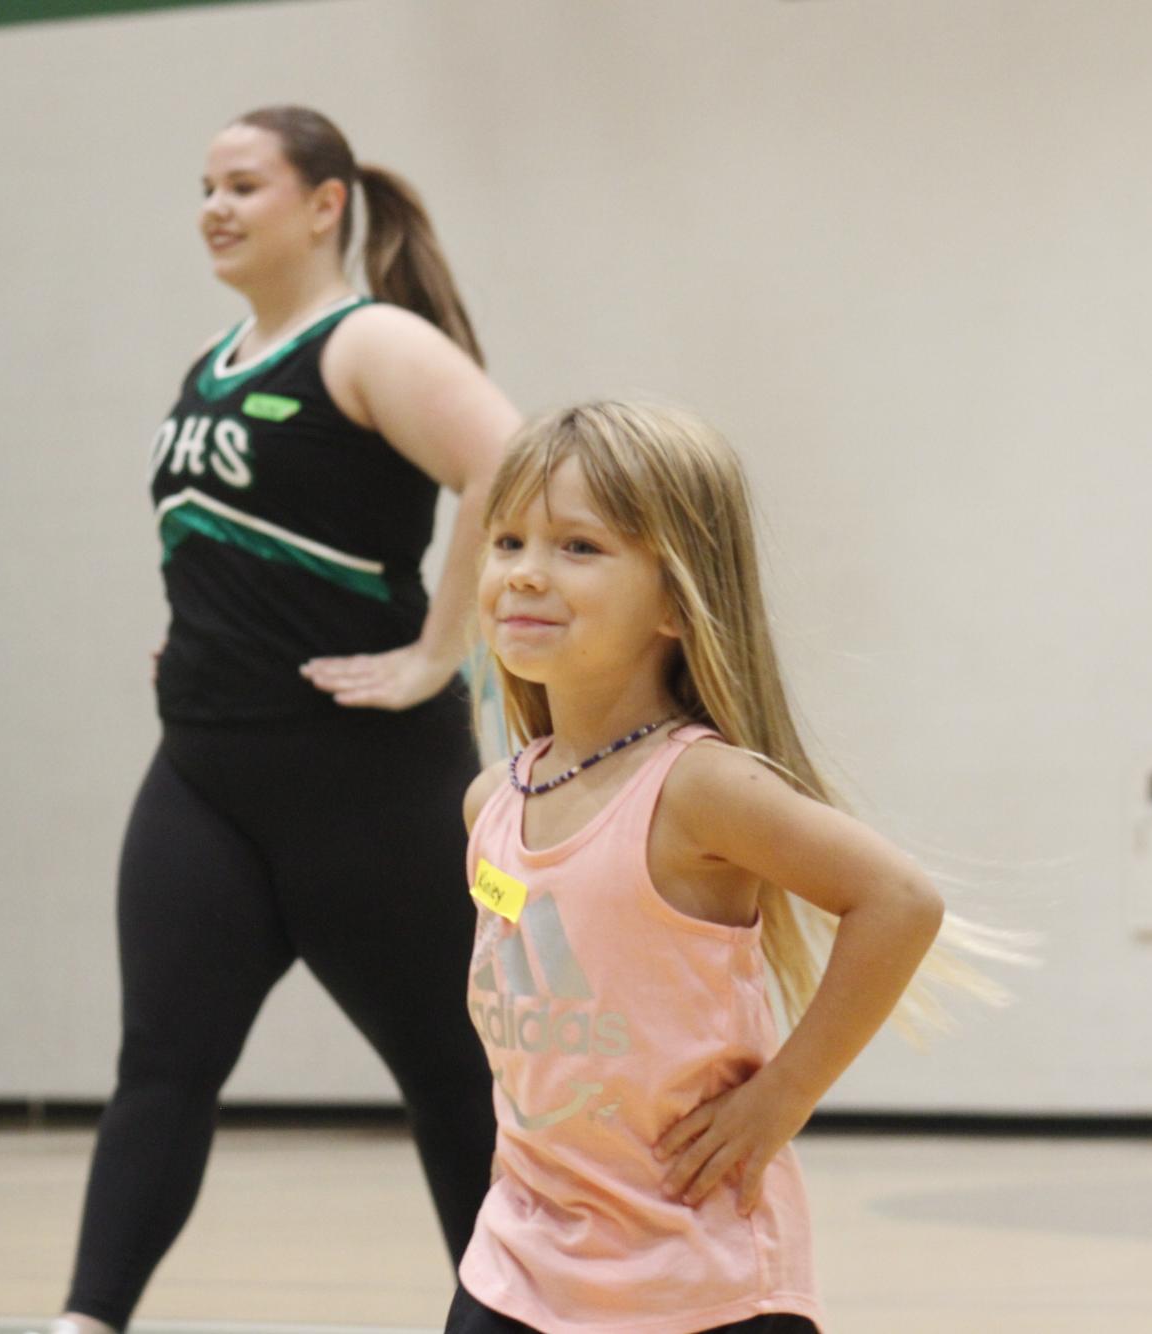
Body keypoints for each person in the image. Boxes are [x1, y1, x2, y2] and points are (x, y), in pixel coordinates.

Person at [47, 106, 519, 1334]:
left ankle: (519, 1314)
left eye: (243, 184)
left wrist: (439, 652)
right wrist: (199, 629)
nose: (215, 205)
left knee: (454, 1079)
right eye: (204, 185)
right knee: (160, 1066)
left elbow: (512, 462)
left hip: (364, 782)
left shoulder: (371, 344)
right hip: (203, 773)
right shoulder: (213, 359)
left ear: (324, 204)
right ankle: (87, 1319)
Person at [449, 400, 957, 1333]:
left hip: (696, 1283)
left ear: (678, 602)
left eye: (578, 548)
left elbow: (898, 901)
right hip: (516, 1265)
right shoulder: (491, 803)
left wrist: (779, 1100)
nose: (523, 574)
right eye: (508, 540)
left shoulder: (698, 788)